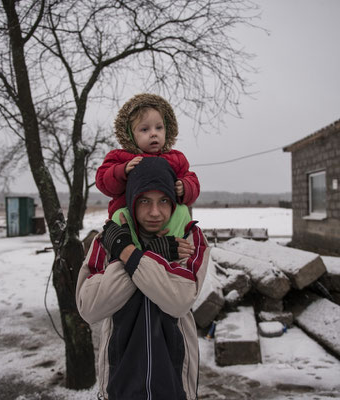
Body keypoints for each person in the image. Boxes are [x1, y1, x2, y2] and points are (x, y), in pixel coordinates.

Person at [77, 157, 210, 400]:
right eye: (144, 201)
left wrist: (128, 252)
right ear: (131, 201)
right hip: (119, 384)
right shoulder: (108, 238)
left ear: (174, 203)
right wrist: (152, 253)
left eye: (164, 201)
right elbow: (89, 307)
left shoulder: (189, 237)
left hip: (174, 384)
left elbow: (178, 300)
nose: (155, 212)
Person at [96, 93, 200, 219]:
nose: (153, 134)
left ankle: (179, 238)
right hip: (130, 217)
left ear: (167, 129)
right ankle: (122, 238)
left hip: (165, 217)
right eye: (145, 129)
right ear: (130, 134)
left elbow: (191, 180)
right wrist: (121, 171)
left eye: (159, 128)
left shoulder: (176, 159)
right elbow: (103, 182)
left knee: (183, 212)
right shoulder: (120, 157)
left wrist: (185, 187)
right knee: (119, 216)